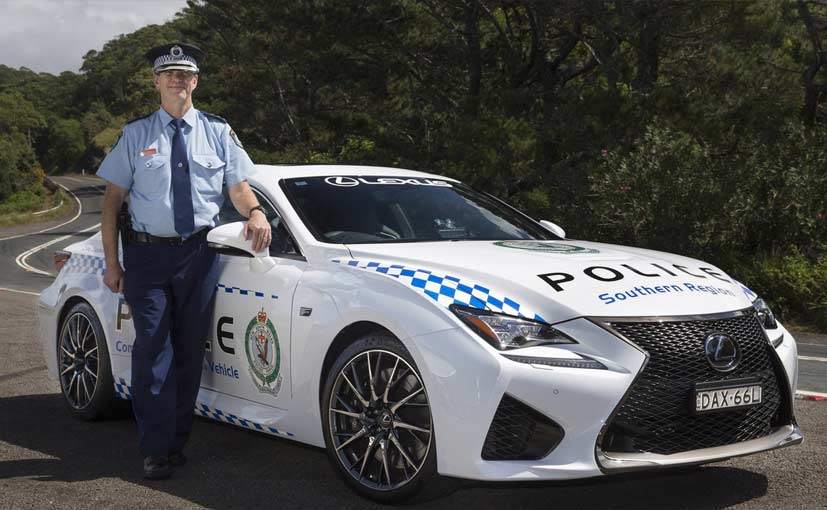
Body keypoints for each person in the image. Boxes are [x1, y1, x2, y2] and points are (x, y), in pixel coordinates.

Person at [97, 43, 271, 480]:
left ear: (195, 81)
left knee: (190, 352)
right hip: (147, 256)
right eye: (169, 74)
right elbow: (112, 202)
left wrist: (254, 211)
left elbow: (238, 189)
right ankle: (155, 449)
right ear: (156, 82)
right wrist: (113, 264)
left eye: (184, 74)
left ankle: (175, 442)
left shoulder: (218, 131)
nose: (177, 80)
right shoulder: (135, 134)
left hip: (199, 255)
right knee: (154, 348)